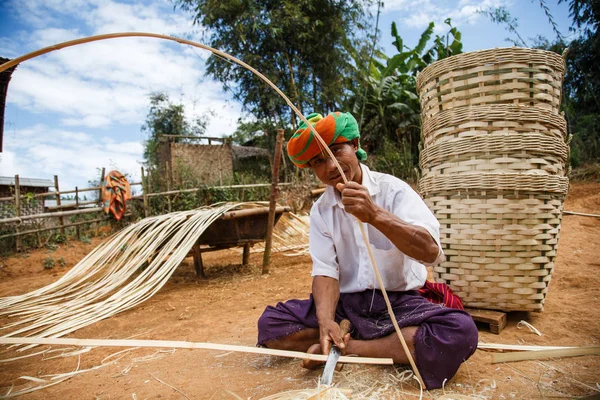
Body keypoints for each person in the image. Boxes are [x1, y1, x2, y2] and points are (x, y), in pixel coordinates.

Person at [257, 112, 478, 389]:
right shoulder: (321, 211)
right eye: (318, 161)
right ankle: (350, 339)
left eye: (336, 150)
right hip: (346, 306)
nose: (331, 165)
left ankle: (347, 350)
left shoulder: (395, 191)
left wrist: (374, 214)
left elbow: (431, 253)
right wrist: (326, 320)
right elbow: (325, 271)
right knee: (272, 324)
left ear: (355, 144)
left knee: (461, 332)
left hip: (399, 303)